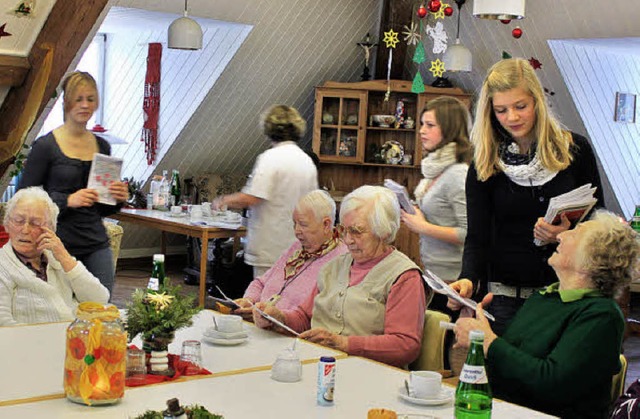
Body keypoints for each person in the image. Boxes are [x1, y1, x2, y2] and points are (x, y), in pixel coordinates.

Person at [460, 58, 604, 334]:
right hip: (504, 301)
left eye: (520, 107)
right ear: (490, 112)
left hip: (564, 297)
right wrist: (467, 278)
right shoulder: (484, 163)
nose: (512, 118)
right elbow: (477, 237)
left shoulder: (575, 150)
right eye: (501, 110)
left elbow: (599, 221)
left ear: (537, 101)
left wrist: (566, 233)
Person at [452, 211, 638, 418]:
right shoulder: (544, 297)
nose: (561, 235)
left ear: (592, 260)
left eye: (575, 233)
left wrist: (489, 343)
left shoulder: (601, 316)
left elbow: (551, 383)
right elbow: (504, 368)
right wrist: (475, 336)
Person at [254, 186, 428, 368]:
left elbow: (405, 345)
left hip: (368, 374)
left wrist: (344, 344)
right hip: (318, 364)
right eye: (344, 230)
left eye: (357, 231)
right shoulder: (334, 266)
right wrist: (278, 318)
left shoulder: (404, 276)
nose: (348, 239)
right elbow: (304, 318)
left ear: (383, 232)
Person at [18, 71, 129, 295]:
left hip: (96, 243)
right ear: (67, 102)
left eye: (90, 99)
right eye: (78, 99)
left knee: (100, 306)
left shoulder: (103, 147)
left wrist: (117, 198)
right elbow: (23, 198)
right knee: (56, 311)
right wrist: (68, 200)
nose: (85, 105)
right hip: (55, 244)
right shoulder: (46, 146)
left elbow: (104, 207)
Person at [212, 105, 318, 278]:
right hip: (297, 243)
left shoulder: (270, 158)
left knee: (266, 296)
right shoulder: (307, 161)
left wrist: (224, 200)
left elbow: (253, 196)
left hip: (270, 244)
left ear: (269, 129)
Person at [0, 187, 110, 326]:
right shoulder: (3, 266)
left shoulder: (56, 258)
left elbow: (99, 300)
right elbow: (3, 327)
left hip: (76, 339)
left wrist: (64, 257)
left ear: (50, 229)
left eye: (35, 223)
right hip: (34, 344)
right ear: (7, 224)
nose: (25, 230)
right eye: (18, 220)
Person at [232, 190, 348, 319]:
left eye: (303, 224)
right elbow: (261, 282)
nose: (297, 231)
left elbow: (317, 316)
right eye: (295, 224)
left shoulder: (341, 259)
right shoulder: (297, 248)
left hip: (287, 332)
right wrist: (249, 300)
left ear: (326, 224)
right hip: (259, 322)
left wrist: (276, 316)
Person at [401, 96, 471, 283]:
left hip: (454, 279)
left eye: (430, 125)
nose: (422, 131)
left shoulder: (457, 174)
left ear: (449, 129)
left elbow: (470, 233)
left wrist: (423, 227)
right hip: (435, 272)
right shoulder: (437, 169)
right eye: (422, 124)